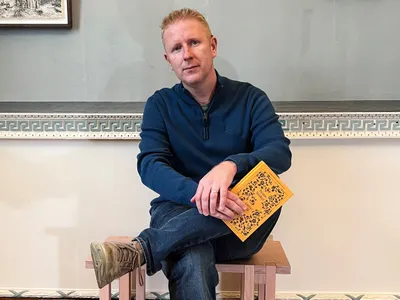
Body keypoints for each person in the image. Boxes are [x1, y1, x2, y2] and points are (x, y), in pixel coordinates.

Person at [90, 8, 292, 300]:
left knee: (267, 189)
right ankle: (163, 242)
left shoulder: (251, 98)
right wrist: (200, 193)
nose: (186, 54)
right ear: (168, 60)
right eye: (176, 48)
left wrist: (232, 165)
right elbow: (150, 164)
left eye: (194, 43)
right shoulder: (159, 104)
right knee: (193, 255)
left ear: (212, 45)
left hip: (241, 223)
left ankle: (143, 249)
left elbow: (279, 153)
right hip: (177, 212)